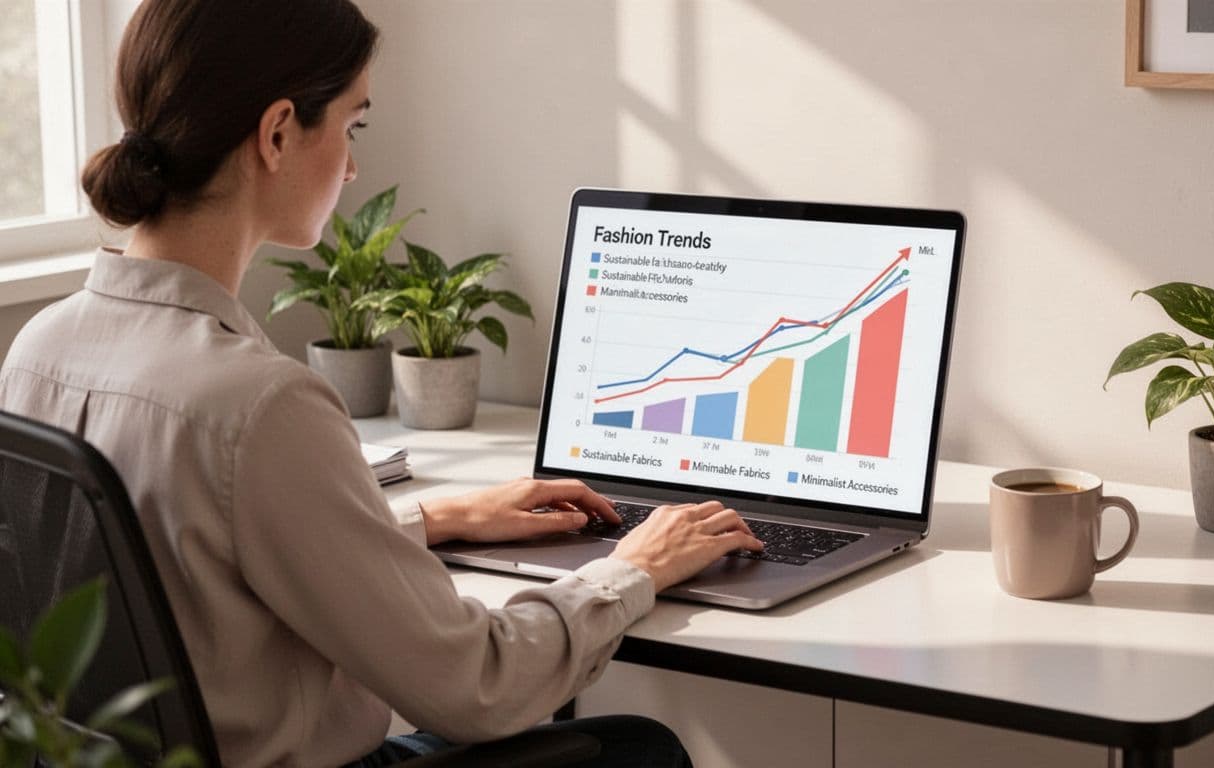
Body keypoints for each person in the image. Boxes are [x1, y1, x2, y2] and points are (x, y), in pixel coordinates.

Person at [0, 1, 764, 766]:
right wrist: (633, 567)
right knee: (638, 750)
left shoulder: (38, 349)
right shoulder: (258, 404)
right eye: (352, 125)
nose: (355, 164)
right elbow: (477, 685)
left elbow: (188, 580)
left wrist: (430, 520)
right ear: (275, 135)